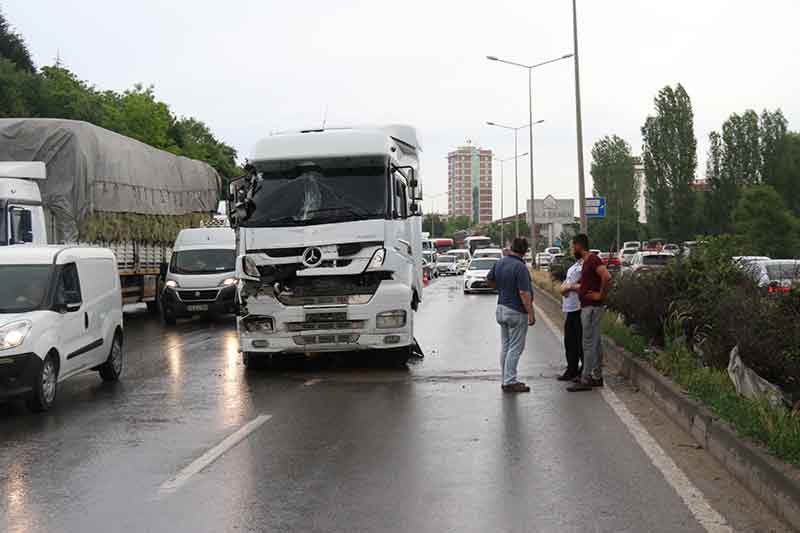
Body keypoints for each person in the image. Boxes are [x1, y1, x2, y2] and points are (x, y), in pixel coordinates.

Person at [486, 237, 536, 393]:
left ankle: (505, 378)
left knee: (506, 346)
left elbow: (489, 280)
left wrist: (501, 289)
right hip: (516, 311)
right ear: (525, 251)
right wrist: (531, 313)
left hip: (501, 307)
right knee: (515, 348)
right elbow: (523, 292)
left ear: (512, 248)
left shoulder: (500, 262)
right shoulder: (520, 267)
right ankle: (510, 381)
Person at [567, 233, 612, 392]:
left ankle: (586, 378)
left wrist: (600, 295)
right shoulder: (587, 262)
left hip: (592, 307)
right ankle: (597, 376)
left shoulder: (592, 259)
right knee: (595, 342)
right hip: (588, 306)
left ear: (579, 246)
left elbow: (606, 276)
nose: (572, 250)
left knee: (588, 343)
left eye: (573, 246)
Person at [557, 252, 583, 381]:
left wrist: (570, 287)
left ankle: (583, 370)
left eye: (573, 246)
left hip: (579, 307)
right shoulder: (574, 266)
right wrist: (565, 288)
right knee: (570, 341)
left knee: (580, 341)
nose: (572, 250)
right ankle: (571, 368)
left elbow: (584, 286)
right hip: (570, 308)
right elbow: (563, 286)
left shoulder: (585, 266)